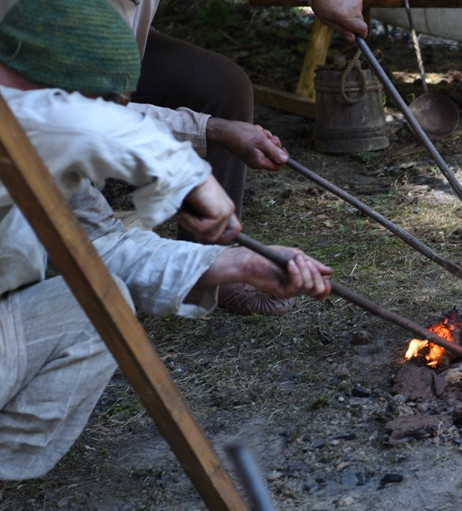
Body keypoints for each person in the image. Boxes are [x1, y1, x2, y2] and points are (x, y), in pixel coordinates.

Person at [0, 0, 333, 511]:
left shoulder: (46, 140)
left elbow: (102, 248)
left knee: (96, 306)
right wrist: (192, 178)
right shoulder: (35, 124)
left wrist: (234, 265)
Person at [107, 0, 367, 315]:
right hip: (65, 80)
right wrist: (211, 129)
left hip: (124, 44)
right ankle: (201, 269)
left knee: (222, 86)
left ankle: (209, 267)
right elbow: (82, 116)